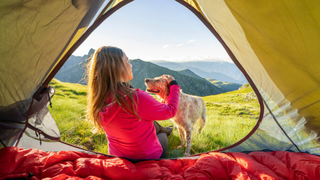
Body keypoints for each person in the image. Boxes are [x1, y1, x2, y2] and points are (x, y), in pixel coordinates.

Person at [86, 46, 180, 160]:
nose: (131, 65)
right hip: (147, 156)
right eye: (127, 61)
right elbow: (170, 111)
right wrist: (174, 85)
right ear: (118, 68)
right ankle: (165, 131)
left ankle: (163, 128)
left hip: (117, 155)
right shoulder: (136, 98)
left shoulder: (99, 98)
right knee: (162, 136)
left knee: (148, 119)